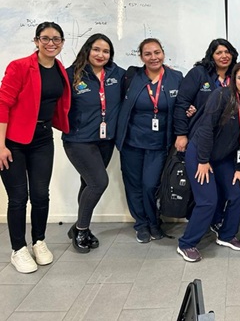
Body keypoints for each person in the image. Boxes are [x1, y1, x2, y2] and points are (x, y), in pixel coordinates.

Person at [0, 22, 71, 273]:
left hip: (42, 139)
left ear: (62, 42)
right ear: (36, 41)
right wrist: (0, 145)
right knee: (18, 197)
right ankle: (18, 249)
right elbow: (2, 104)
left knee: (41, 194)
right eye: (45, 38)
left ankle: (39, 241)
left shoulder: (60, 69)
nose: (51, 43)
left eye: (56, 39)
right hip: (14, 142)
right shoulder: (19, 66)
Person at [177, 61, 240, 262]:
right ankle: (186, 243)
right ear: (233, 78)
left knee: (238, 192)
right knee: (208, 200)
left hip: (223, 158)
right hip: (200, 155)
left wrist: (239, 168)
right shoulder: (220, 95)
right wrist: (203, 160)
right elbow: (206, 129)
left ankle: (226, 235)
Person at [116, 38, 183, 243]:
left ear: (163, 53)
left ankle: (154, 222)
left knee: (150, 185)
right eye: (148, 54)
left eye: (157, 52)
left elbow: (183, 104)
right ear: (141, 57)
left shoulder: (176, 77)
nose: (153, 57)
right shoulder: (131, 76)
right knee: (133, 185)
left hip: (159, 144)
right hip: (131, 143)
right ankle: (141, 224)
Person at [62, 34, 125, 253]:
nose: (101, 55)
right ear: (87, 50)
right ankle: (80, 230)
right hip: (78, 140)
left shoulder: (118, 74)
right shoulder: (71, 75)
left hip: (105, 141)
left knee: (88, 183)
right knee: (99, 182)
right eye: (96, 49)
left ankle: (81, 227)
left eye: (106, 51)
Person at [173, 39, 238, 234]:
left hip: (225, 146)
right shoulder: (199, 74)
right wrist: (181, 134)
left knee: (222, 188)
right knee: (204, 192)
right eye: (218, 53)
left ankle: (216, 221)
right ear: (211, 56)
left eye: (227, 52)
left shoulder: (236, 76)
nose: (224, 56)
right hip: (200, 140)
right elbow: (182, 103)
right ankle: (194, 233)